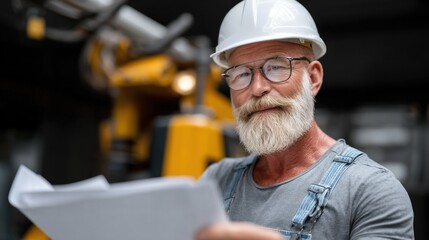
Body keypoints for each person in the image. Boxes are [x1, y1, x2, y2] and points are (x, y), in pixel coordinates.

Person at [195, 0, 415, 239]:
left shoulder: (370, 190)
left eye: (276, 67)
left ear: (313, 78)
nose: (257, 88)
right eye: (241, 74)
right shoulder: (216, 181)